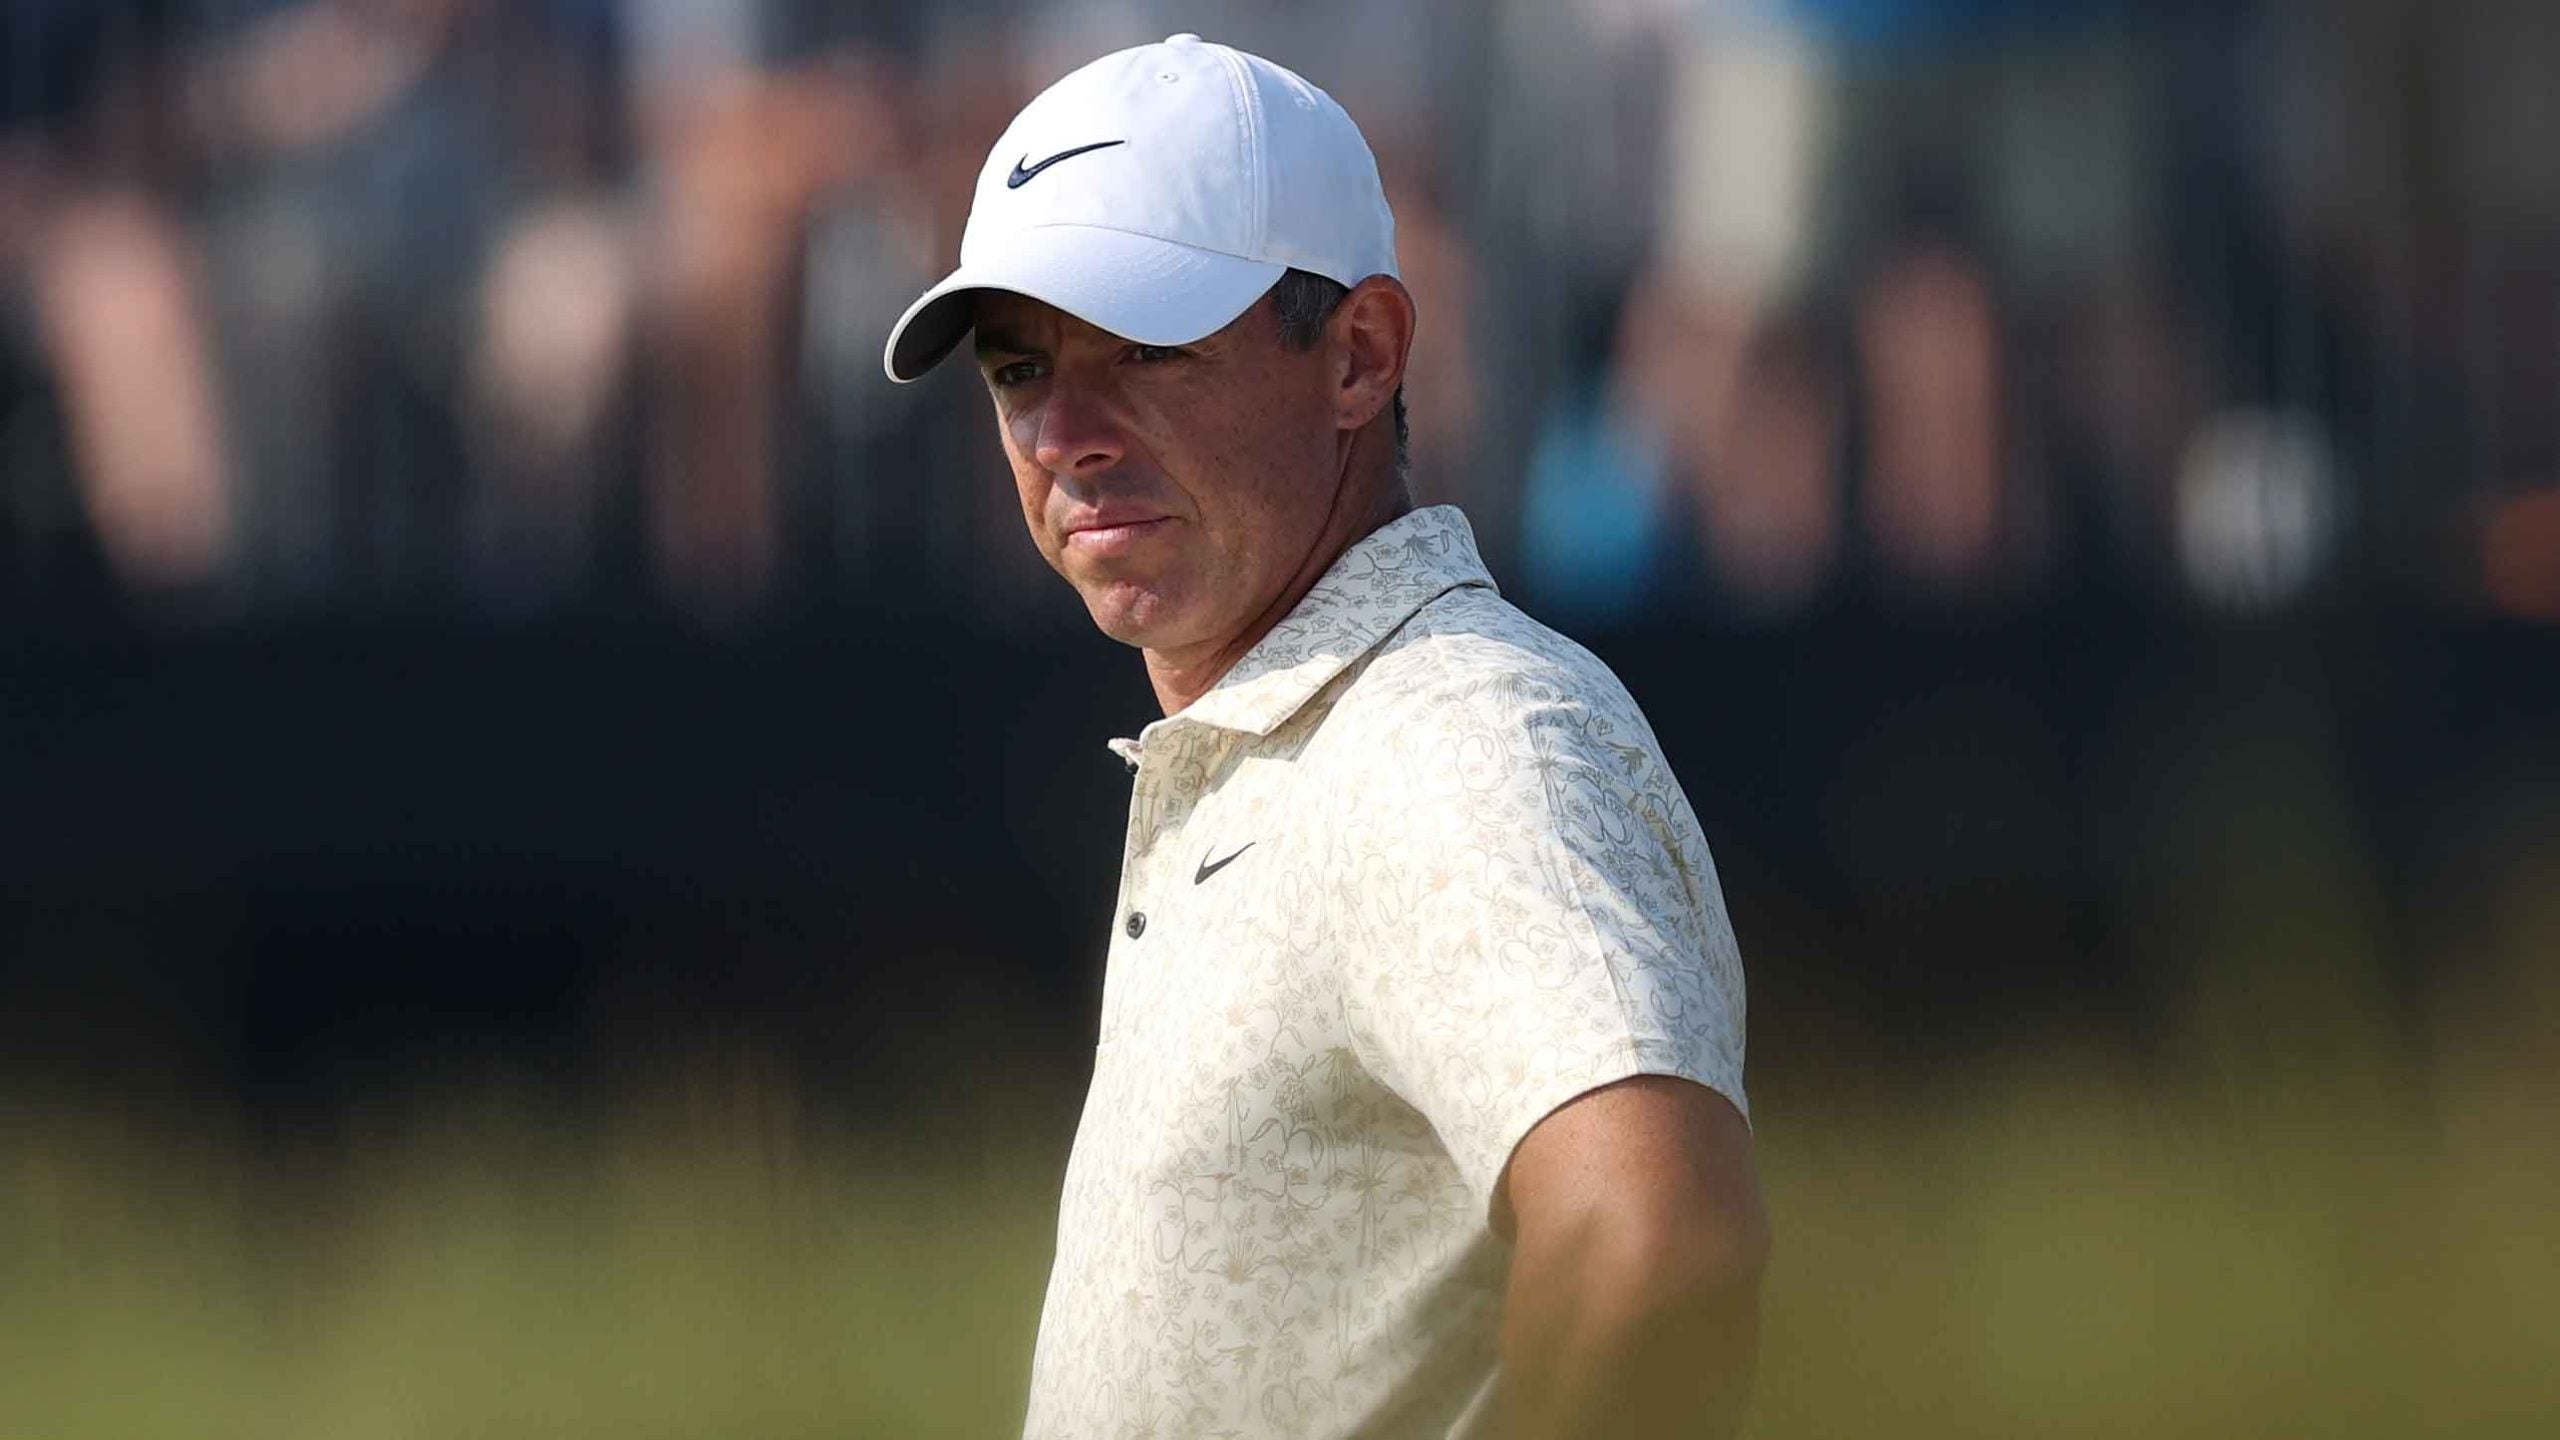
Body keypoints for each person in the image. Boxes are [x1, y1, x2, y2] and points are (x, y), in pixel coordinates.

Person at [882, 34, 1766, 1439]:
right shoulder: (1312, 739)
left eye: (1149, 347)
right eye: (1018, 369)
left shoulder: (1457, 736)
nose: (1065, 433)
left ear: (1359, 356)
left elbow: (1657, 1252)